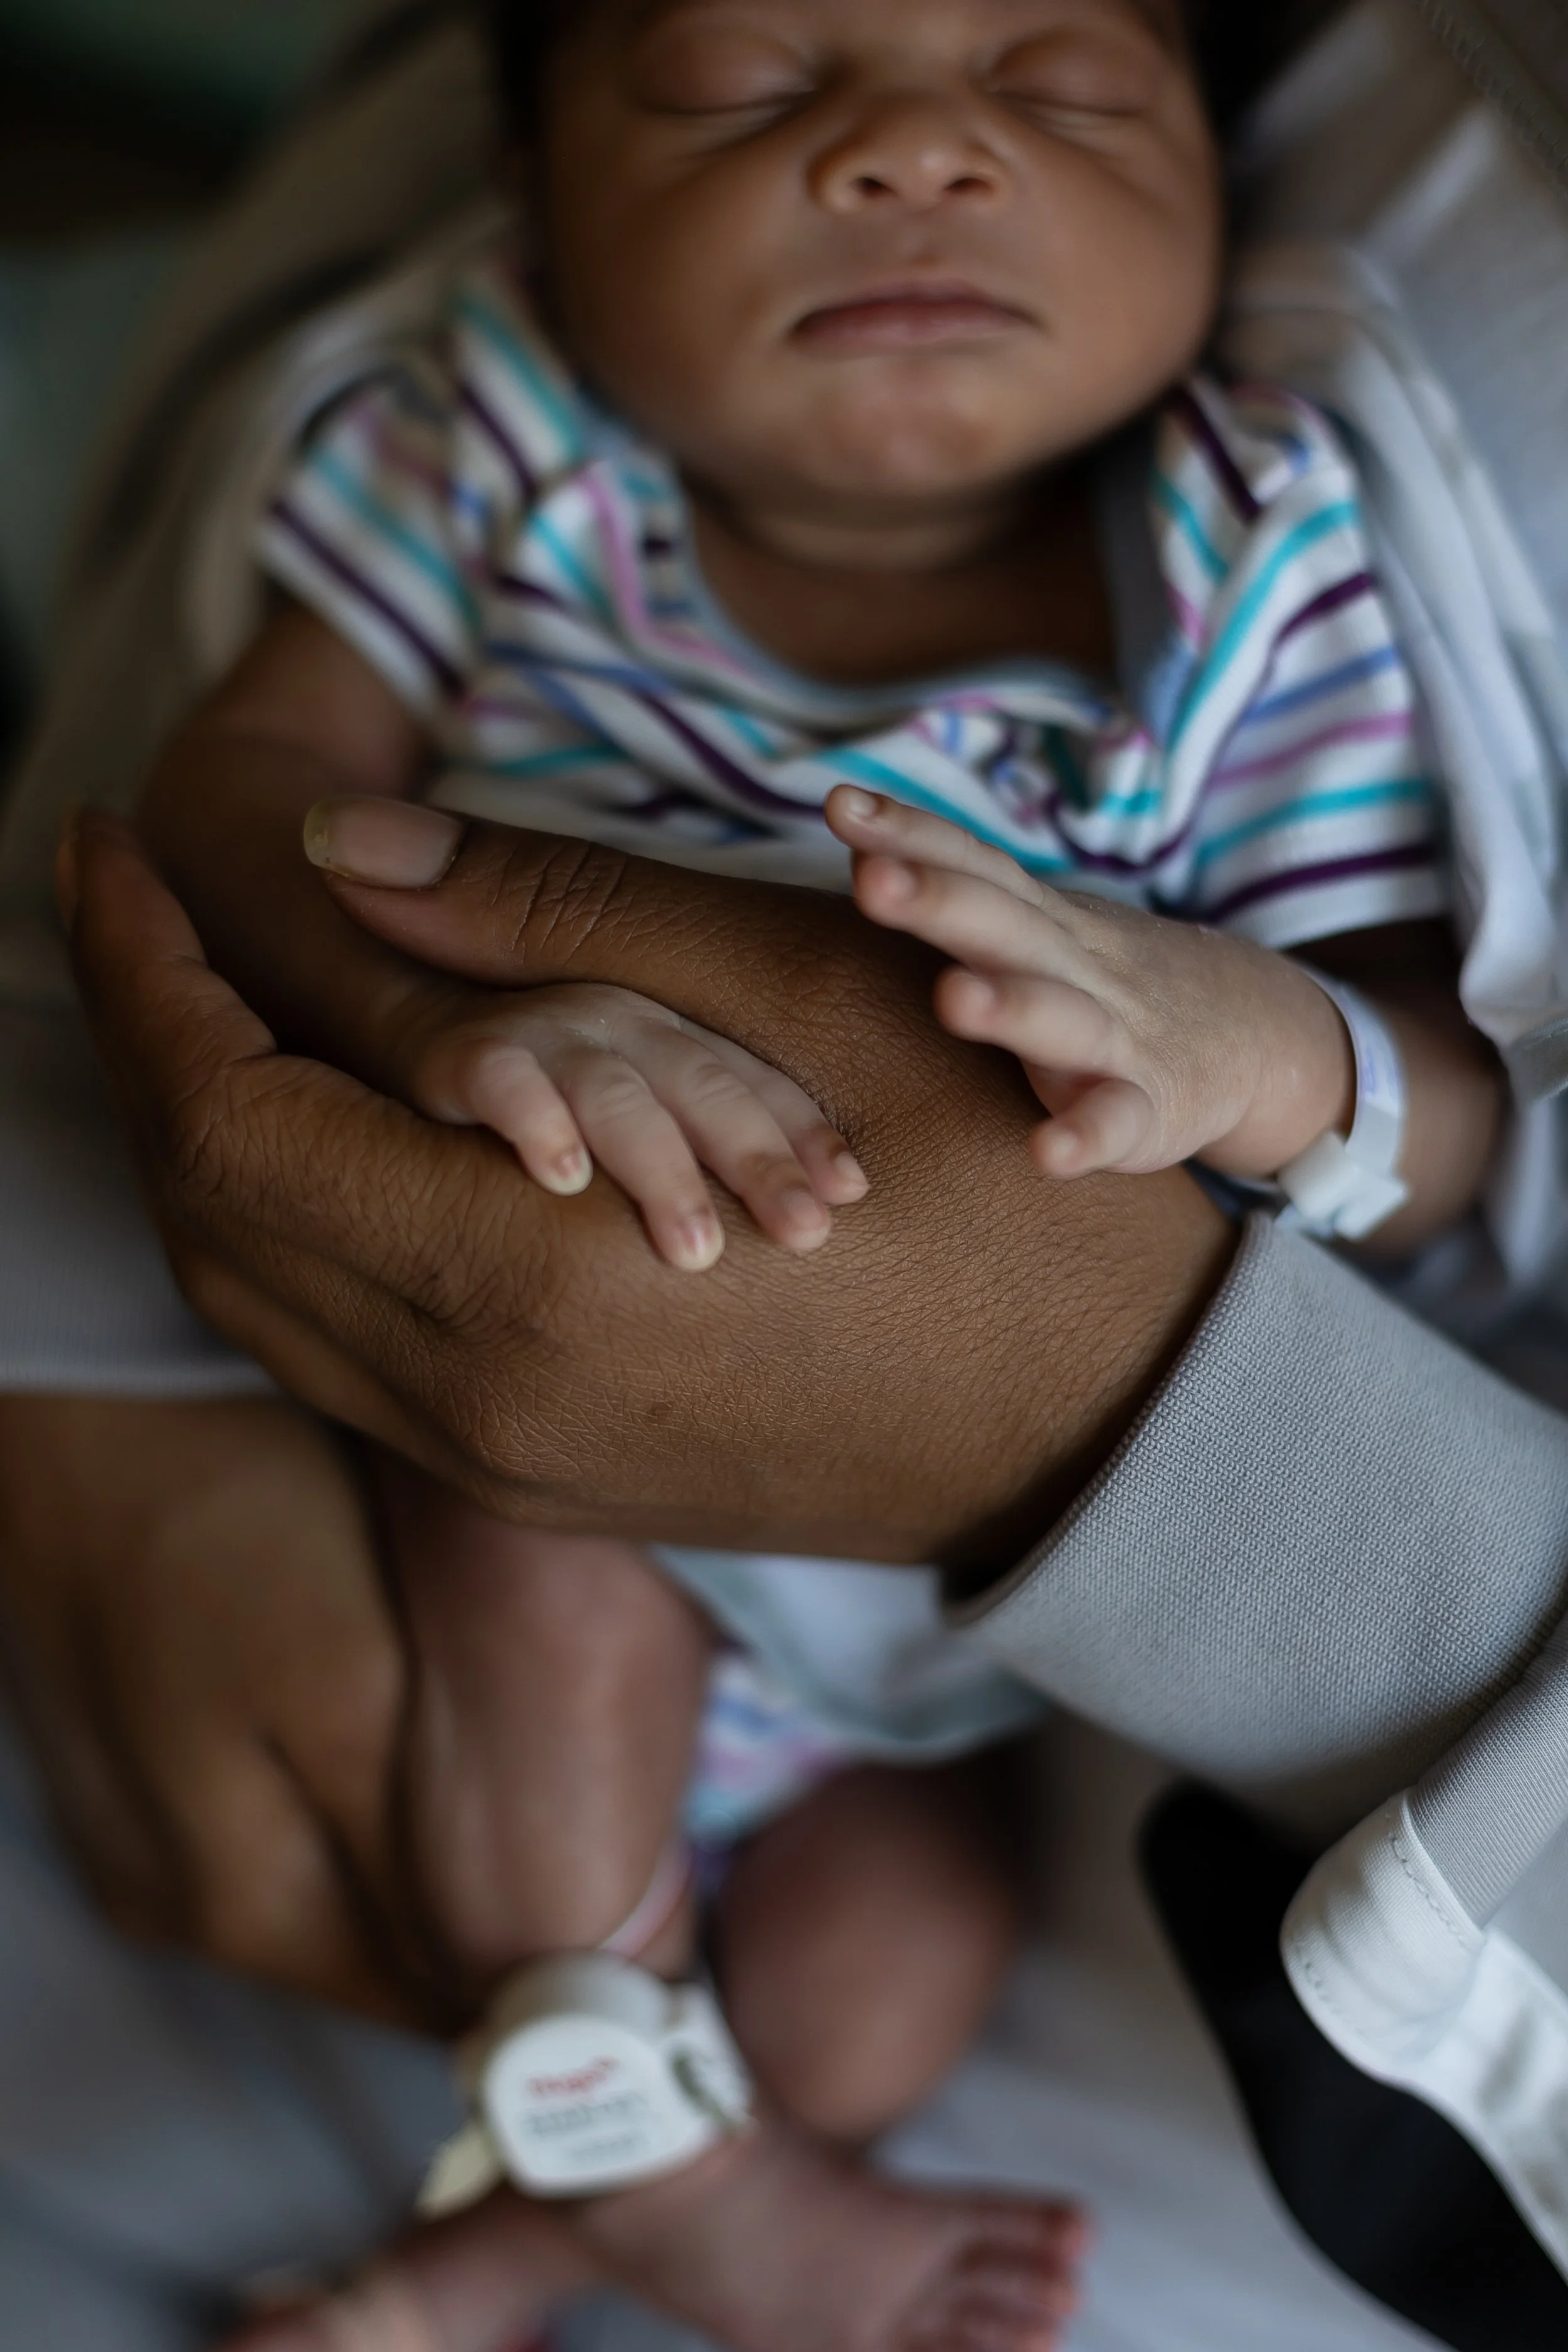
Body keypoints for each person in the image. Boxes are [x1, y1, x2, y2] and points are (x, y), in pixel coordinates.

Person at [5, 3, 1568, 2348]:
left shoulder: (1266, 566)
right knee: (553, 1581)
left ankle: (537, 2240)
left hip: (990, 1625)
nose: (914, 152)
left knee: (893, 1952)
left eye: (1056, 85)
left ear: (1225, 191)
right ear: (532, 199)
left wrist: (1238, 1036)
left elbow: (1446, 1115)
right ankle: (655, 2172)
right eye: (746, 85)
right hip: (511, 1446)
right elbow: (240, 793)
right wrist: (437, 1014)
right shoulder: (494, 448)